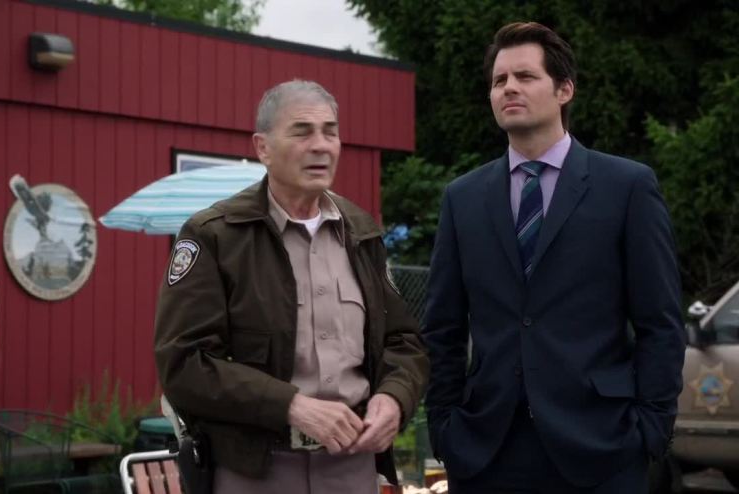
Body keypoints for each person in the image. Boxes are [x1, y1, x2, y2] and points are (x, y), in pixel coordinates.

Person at [423, 22, 685, 493]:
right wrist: (444, 426)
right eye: (499, 80)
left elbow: (660, 322)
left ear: (565, 90)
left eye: (525, 76)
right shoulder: (462, 198)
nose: (509, 88)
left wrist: (651, 429)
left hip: (602, 448)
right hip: (485, 450)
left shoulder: (626, 187)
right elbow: (442, 327)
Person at [154, 79, 428, 494]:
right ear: (263, 148)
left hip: (353, 469)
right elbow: (184, 362)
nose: (321, 145)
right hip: (256, 472)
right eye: (302, 132)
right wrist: (291, 406)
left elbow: (404, 341)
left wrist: (394, 397)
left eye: (330, 132)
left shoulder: (361, 233)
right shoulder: (216, 236)